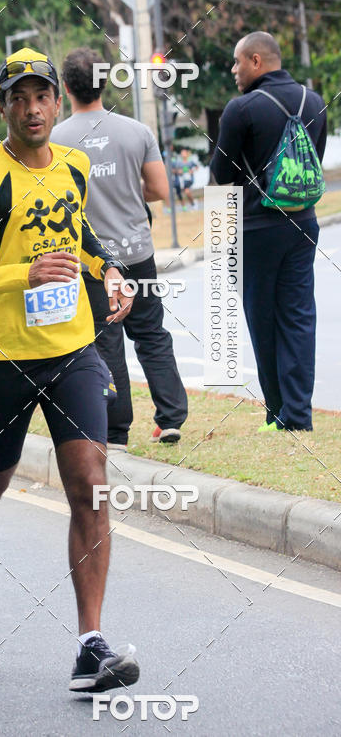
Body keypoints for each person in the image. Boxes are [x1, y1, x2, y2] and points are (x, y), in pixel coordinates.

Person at [0, 46, 140, 692]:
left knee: (90, 481)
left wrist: (107, 270)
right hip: (5, 357)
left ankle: (91, 645)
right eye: (18, 98)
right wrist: (21, 274)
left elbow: (77, 235)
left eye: (41, 94)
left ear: (55, 100)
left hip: (74, 347)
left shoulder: (74, 166)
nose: (32, 107)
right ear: (3, 109)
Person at [52, 47, 188, 448]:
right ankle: (171, 418)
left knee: (105, 341)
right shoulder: (137, 131)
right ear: (106, 81)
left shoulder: (56, 140)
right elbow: (160, 190)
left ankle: (116, 429)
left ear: (64, 88)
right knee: (150, 333)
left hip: (92, 263)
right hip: (137, 252)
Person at [210, 31, 327, 432]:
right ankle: (299, 414)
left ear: (256, 61)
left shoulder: (240, 109)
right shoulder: (313, 101)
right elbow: (315, 159)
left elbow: (221, 176)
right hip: (304, 222)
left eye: (237, 62)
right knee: (299, 316)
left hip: (256, 228)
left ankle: (277, 412)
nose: (233, 70)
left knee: (262, 319)